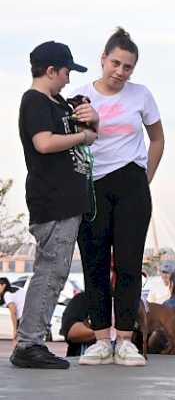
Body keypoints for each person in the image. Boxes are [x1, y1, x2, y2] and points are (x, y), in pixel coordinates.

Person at [73, 28, 163, 367]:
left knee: (128, 264)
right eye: (116, 63)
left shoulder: (141, 95)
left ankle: (124, 339)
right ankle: (99, 339)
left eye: (128, 67)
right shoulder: (81, 95)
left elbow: (157, 139)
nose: (120, 72)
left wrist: (145, 176)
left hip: (131, 183)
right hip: (92, 185)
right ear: (103, 59)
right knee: (95, 263)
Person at [12, 41, 95, 370]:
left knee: (55, 271)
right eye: (65, 72)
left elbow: (89, 131)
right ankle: (30, 343)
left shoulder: (57, 102)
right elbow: (43, 143)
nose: (67, 79)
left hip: (68, 201)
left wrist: (90, 120)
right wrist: (82, 138)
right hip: (53, 201)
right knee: (50, 271)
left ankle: (33, 340)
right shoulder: (34, 101)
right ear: (50, 71)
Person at [60, 290, 96, 357]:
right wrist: (108, 332)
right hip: (85, 362)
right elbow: (73, 333)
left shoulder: (121, 303)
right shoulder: (83, 299)